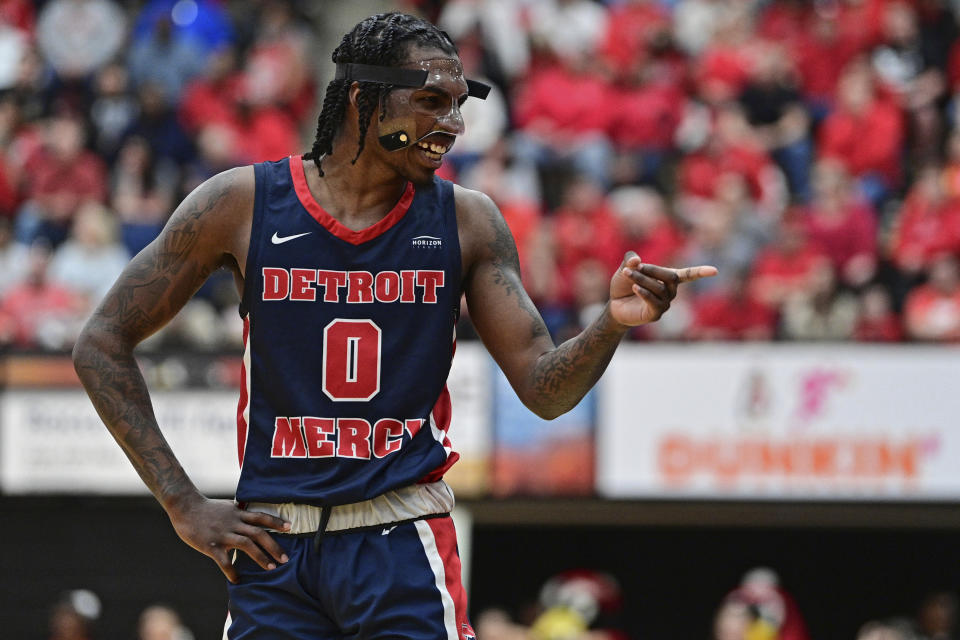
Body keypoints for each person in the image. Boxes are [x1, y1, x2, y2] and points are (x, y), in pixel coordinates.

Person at [72, 12, 716, 639]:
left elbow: (546, 392)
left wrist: (611, 323)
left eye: (460, 104)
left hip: (401, 534)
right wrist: (182, 503)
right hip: (275, 545)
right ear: (363, 98)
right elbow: (101, 343)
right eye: (432, 102)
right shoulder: (240, 203)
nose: (454, 124)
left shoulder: (468, 221)